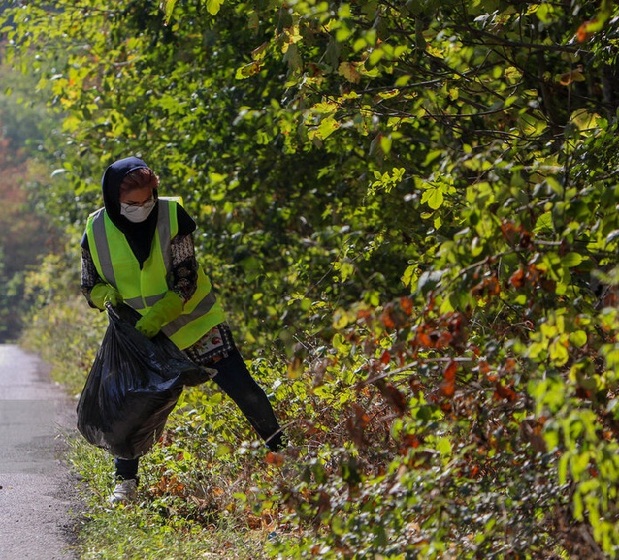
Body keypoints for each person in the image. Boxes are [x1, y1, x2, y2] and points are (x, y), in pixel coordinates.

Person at [80, 156, 284, 505]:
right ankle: (125, 483)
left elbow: (185, 278)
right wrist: (103, 295)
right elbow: (89, 284)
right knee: (132, 406)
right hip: (139, 337)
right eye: (132, 204)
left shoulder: (172, 215)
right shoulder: (96, 229)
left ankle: (285, 456)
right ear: (113, 200)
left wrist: (161, 313)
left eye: (147, 199)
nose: (142, 208)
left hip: (195, 326)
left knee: (243, 389)